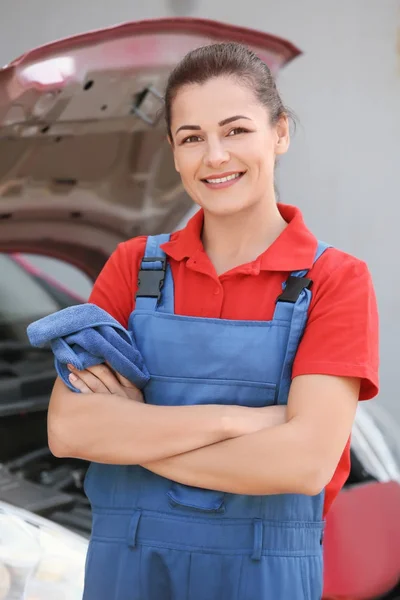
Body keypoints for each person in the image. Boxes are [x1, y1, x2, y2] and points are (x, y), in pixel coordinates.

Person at [47, 42, 379, 600]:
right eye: (192, 138)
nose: (215, 156)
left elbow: (303, 463)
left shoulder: (335, 279)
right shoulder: (133, 266)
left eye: (236, 130)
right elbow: (69, 430)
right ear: (174, 154)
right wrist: (240, 422)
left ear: (280, 134)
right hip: (124, 566)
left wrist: (131, 435)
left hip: (264, 571)